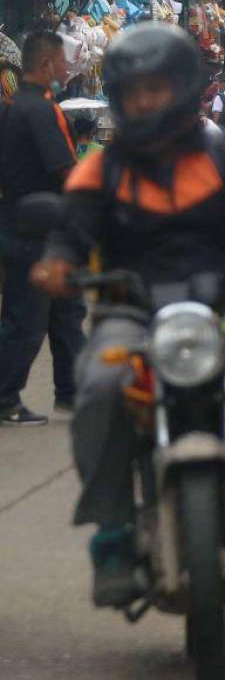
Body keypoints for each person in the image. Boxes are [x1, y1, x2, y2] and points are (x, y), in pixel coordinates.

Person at [31, 23, 225, 605]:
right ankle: (113, 537)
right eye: (134, 92)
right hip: (133, 313)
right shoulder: (100, 169)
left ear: (186, 87)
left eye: (158, 88)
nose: (146, 102)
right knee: (99, 386)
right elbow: (72, 230)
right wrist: (57, 262)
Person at [0, 31, 86, 425]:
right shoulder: (40, 110)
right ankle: (5, 399)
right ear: (47, 65)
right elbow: (63, 168)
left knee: (67, 313)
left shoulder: (16, 107)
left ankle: (73, 394)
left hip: (42, 229)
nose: (69, 69)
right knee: (26, 320)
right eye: (65, 62)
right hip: (34, 231)